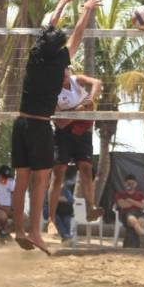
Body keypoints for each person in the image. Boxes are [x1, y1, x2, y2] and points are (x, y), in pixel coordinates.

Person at [11, 0, 102, 255]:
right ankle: (36, 233)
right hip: (40, 126)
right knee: (40, 181)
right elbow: (78, 35)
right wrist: (86, 10)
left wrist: (61, 3)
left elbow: (49, 25)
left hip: (21, 124)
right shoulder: (59, 61)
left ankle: (19, 230)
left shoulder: (35, 54)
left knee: (20, 181)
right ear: (59, 50)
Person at [48, 67, 103, 227]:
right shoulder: (52, 94)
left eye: (66, 69)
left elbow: (97, 82)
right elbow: (61, 122)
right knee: (59, 173)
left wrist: (90, 100)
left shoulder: (76, 80)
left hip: (83, 132)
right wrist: (77, 111)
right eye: (61, 70)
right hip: (63, 134)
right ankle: (51, 219)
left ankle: (91, 208)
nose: (64, 72)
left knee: (86, 169)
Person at [114, 174, 144, 248]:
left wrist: (130, 200)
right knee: (132, 219)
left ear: (136, 184)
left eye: (132, 183)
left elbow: (143, 206)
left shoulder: (141, 194)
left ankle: (137, 243)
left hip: (139, 213)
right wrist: (137, 203)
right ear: (125, 184)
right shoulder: (120, 194)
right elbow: (123, 205)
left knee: (140, 221)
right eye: (128, 183)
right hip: (126, 214)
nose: (130, 185)